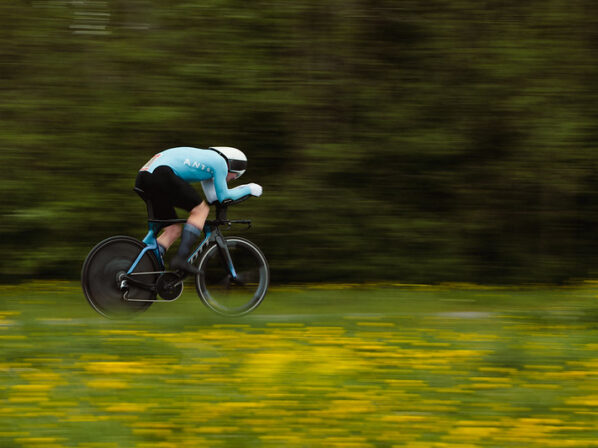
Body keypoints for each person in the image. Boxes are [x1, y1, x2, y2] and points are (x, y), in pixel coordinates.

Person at [135, 146, 262, 274]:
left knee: (172, 230)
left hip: (144, 178)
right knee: (201, 210)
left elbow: (213, 198)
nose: (233, 179)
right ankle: (181, 259)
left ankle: (143, 265)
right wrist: (250, 189)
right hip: (161, 174)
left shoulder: (208, 162)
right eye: (236, 176)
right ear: (233, 165)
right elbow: (224, 196)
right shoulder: (220, 162)